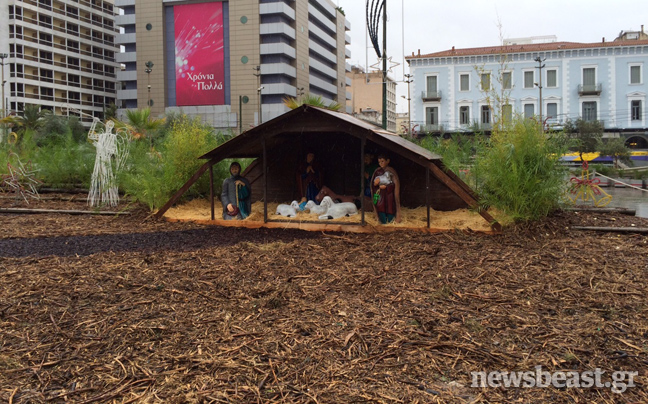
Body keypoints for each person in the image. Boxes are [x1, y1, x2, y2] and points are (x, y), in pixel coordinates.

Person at [370, 154, 401, 224]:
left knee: (390, 207)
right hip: (380, 195)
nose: (381, 163)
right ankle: (382, 221)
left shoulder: (391, 171)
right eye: (379, 162)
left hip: (389, 195)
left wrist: (387, 187)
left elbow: (395, 184)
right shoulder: (377, 172)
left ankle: (390, 221)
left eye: (382, 161)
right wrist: (376, 185)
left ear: (388, 161)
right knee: (380, 206)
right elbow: (373, 185)